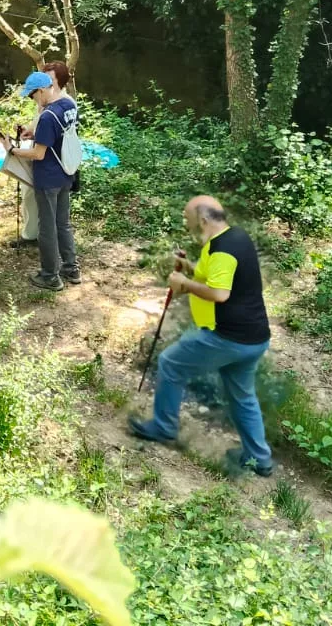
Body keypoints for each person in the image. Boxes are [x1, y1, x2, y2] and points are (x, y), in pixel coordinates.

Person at [129, 195, 274, 478]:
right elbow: (217, 277)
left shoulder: (222, 250)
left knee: (171, 363)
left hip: (227, 338)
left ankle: (163, 427)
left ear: (204, 219)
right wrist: (191, 270)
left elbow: (220, 293)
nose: (187, 222)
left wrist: (184, 285)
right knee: (242, 395)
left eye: (189, 217)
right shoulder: (234, 237)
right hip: (254, 338)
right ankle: (259, 458)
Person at [7, 70, 79, 290]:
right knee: (63, 223)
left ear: (41, 90)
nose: (33, 99)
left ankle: (50, 275)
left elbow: (38, 154)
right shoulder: (68, 105)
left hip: (48, 178)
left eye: (32, 95)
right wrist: (35, 134)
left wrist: (12, 150)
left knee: (47, 228)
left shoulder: (48, 116)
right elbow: (57, 137)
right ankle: (71, 268)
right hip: (66, 172)